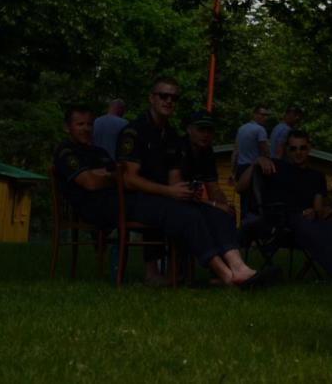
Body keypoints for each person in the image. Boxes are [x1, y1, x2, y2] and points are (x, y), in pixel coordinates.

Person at [58, 98, 261, 287]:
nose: (86, 129)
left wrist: (111, 175)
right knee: (180, 212)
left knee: (210, 212)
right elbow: (92, 183)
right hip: (98, 208)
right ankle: (225, 275)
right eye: (80, 124)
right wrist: (112, 176)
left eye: (89, 124)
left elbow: (119, 174)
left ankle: (237, 268)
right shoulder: (66, 151)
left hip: (124, 199)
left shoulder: (99, 152)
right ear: (67, 127)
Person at [116, 76, 260, 286]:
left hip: (164, 199)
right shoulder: (134, 131)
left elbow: (175, 179)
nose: (169, 101)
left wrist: (183, 193)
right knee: (189, 215)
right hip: (137, 200)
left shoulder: (172, 136)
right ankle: (226, 276)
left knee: (217, 214)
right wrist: (171, 192)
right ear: (151, 98)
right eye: (163, 96)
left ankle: (239, 267)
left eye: (174, 97)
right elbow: (128, 180)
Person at [253, 129, 332, 278]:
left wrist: (314, 211)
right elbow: (240, 186)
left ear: (309, 149)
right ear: (287, 150)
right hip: (281, 222)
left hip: (308, 220)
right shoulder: (276, 167)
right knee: (308, 226)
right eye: (293, 148)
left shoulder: (317, 176)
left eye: (302, 148)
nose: (298, 152)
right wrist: (258, 160)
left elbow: (318, 210)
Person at [177, 110, 236, 217]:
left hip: (192, 203)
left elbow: (213, 188)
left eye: (210, 130)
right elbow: (181, 194)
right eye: (201, 129)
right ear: (189, 130)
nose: (206, 134)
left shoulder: (207, 152)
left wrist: (226, 206)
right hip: (172, 201)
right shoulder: (178, 149)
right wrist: (215, 205)